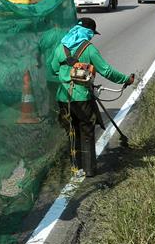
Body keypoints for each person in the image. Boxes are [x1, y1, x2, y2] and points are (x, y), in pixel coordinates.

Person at [50, 17, 133, 177]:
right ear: (88, 33)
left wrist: (67, 74)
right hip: (82, 99)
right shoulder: (88, 48)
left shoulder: (61, 47)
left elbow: (53, 69)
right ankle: (89, 169)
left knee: (72, 133)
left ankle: (76, 168)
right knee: (86, 132)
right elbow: (106, 71)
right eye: (91, 34)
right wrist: (125, 79)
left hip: (63, 98)